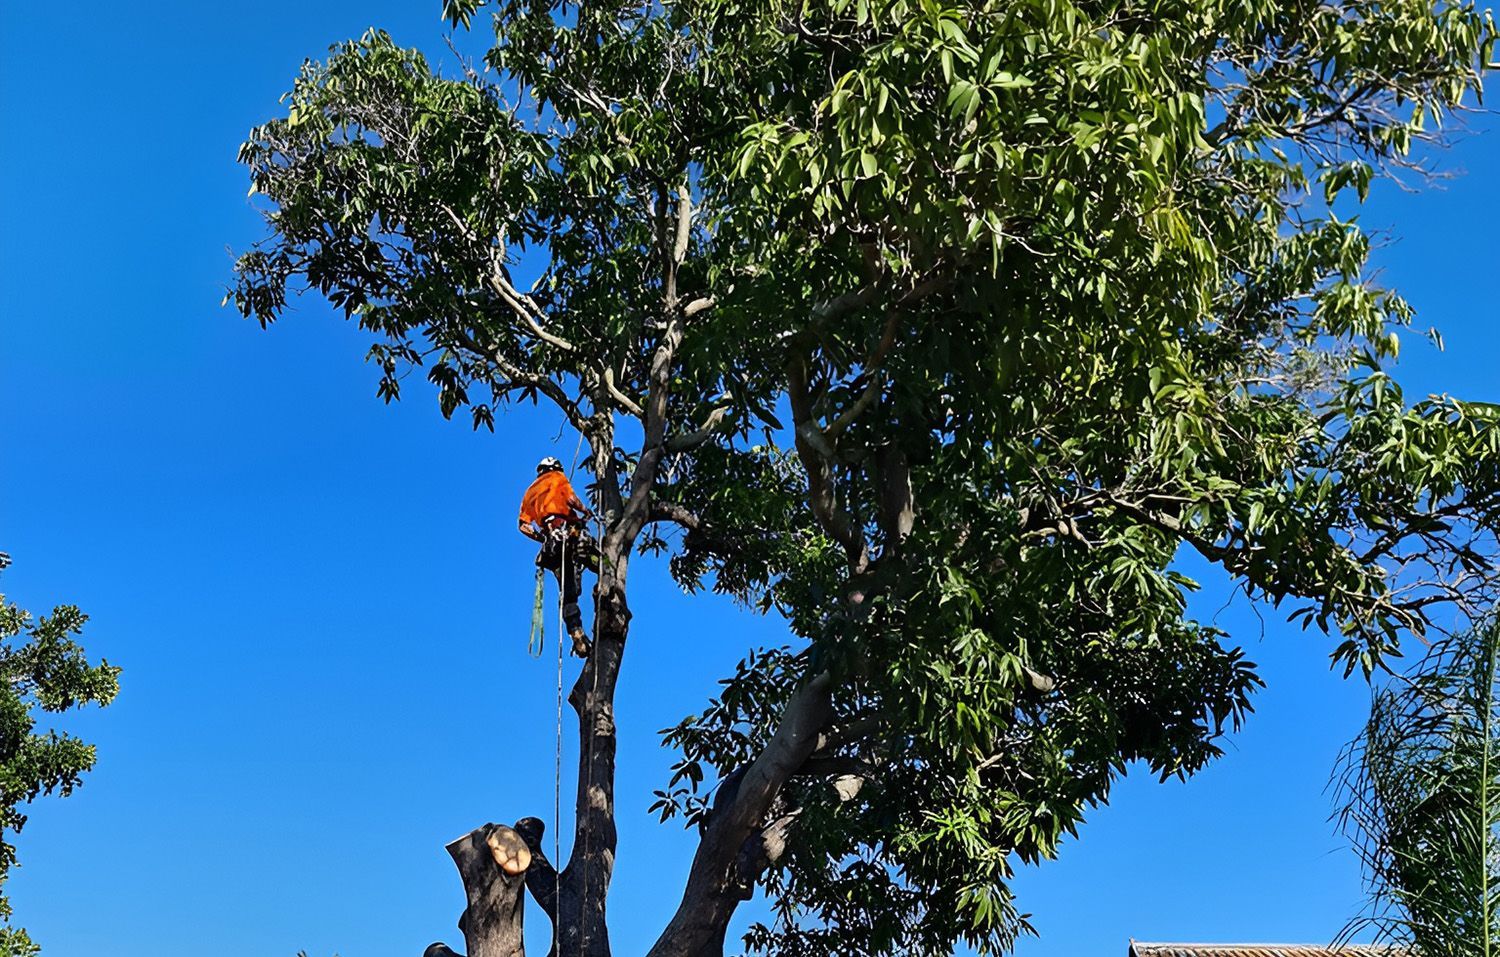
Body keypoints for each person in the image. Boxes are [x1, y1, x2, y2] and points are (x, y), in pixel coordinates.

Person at [518, 456, 599, 657]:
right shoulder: (558, 477)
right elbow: (571, 499)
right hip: (568, 532)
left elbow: (523, 525)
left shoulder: (530, 492)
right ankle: (602, 566)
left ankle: (575, 631)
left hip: (551, 546)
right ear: (555, 467)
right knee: (596, 558)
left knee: (568, 592)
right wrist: (585, 512)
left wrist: (541, 537)